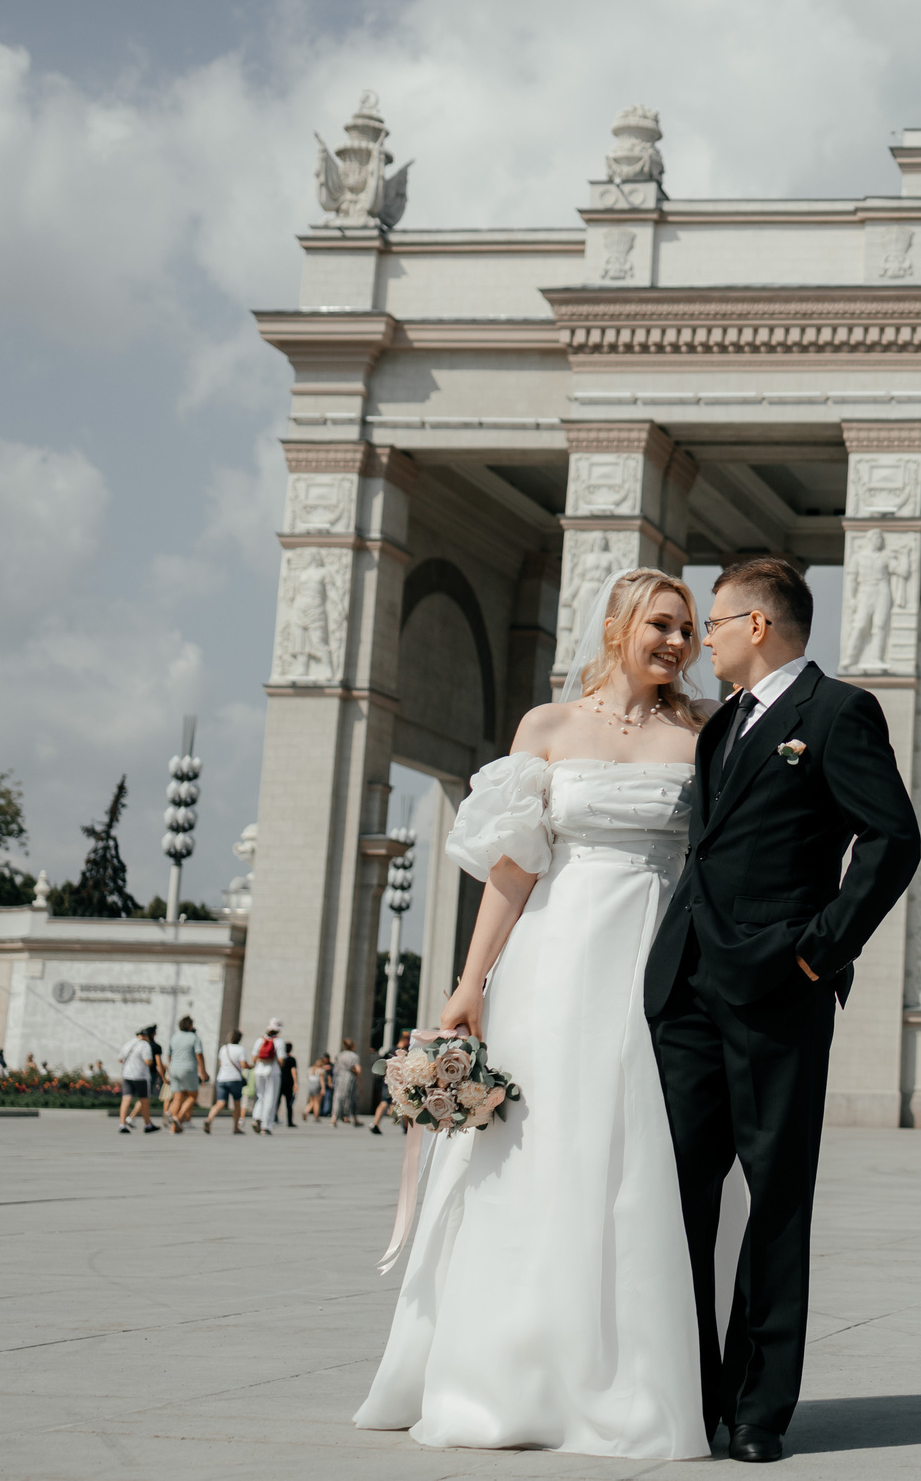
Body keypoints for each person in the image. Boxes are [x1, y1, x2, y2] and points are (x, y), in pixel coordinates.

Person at [358, 567, 723, 1459]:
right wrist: (468, 981)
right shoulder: (547, 728)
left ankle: (631, 1380)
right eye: (661, 624)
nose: (678, 642)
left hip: (657, 961)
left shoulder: (704, 732)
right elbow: (515, 866)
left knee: (633, 1159)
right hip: (553, 964)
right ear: (616, 626)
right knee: (533, 1151)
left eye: (688, 629)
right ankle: (505, 1372)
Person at [644, 556, 921, 1463]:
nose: (702, 639)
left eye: (714, 622)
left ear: (757, 626)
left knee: (774, 1200)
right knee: (677, 1193)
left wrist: (820, 947)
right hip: (687, 991)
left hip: (777, 992)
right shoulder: (720, 724)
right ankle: (689, 1387)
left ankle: (760, 1408)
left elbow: (893, 837)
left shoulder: (837, 713)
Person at [160, 1016, 205, 1133]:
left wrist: (170, 1067)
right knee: (192, 1096)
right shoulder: (194, 1037)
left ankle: (173, 1126)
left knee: (177, 1098)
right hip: (188, 1069)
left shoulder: (174, 1037)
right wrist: (203, 1072)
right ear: (190, 1026)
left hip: (174, 1069)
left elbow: (169, 1055)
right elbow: (199, 1055)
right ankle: (178, 1117)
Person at [118, 1025, 162, 1135]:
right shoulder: (145, 1045)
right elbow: (148, 1061)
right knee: (144, 1101)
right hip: (141, 1076)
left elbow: (120, 1059)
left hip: (127, 1075)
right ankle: (148, 1124)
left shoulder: (129, 1043)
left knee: (126, 1099)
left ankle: (122, 1124)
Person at [204, 1030, 247, 1135]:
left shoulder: (224, 1048)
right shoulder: (240, 1049)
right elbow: (243, 1065)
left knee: (220, 1103)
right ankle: (235, 1128)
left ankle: (209, 1120)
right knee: (237, 1104)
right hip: (235, 1079)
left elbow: (220, 1063)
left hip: (221, 1078)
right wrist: (252, 1066)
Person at [250, 1020, 286, 1136]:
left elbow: (254, 1058)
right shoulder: (279, 1042)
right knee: (271, 1097)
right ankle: (266, 1125)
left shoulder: (259, 1040)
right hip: (272, 1072)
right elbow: (281, 1061)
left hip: (259, 1071)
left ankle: (257, 1117)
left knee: (260, 1096)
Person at [333, 1038, 363, 1128]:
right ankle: (354, 1118)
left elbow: (336, 1068)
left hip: (340, 1077)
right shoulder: (354, 1056)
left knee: (338, 1097)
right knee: (352, 1098)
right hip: (350, 1078)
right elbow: (358, 1070)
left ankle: (334, 1118)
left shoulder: (339, 1055)